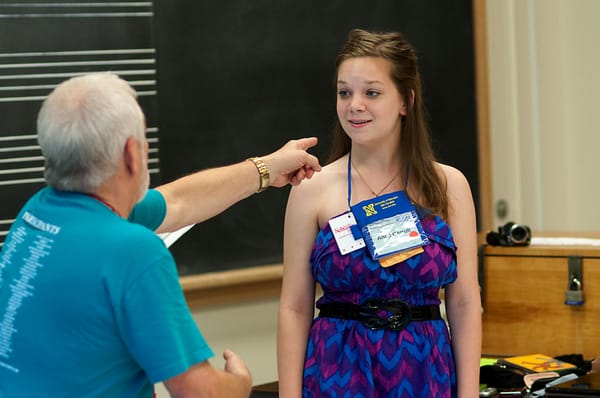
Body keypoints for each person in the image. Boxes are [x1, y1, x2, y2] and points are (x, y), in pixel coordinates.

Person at [0, 72, 321, 397]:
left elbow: (177, 202)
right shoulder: (132, 251)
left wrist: (266, 167)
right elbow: (201, 393)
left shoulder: (37, 213)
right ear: (131, 153)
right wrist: (240, 381)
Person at [277, 29, 481, 397]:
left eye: (371, 92)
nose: (354, 104)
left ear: (406, 100)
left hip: (425, 372)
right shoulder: (312, 188)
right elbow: (294, 306)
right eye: (344, 92)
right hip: (338, 371)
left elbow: (465, 301)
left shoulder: (449, 185)